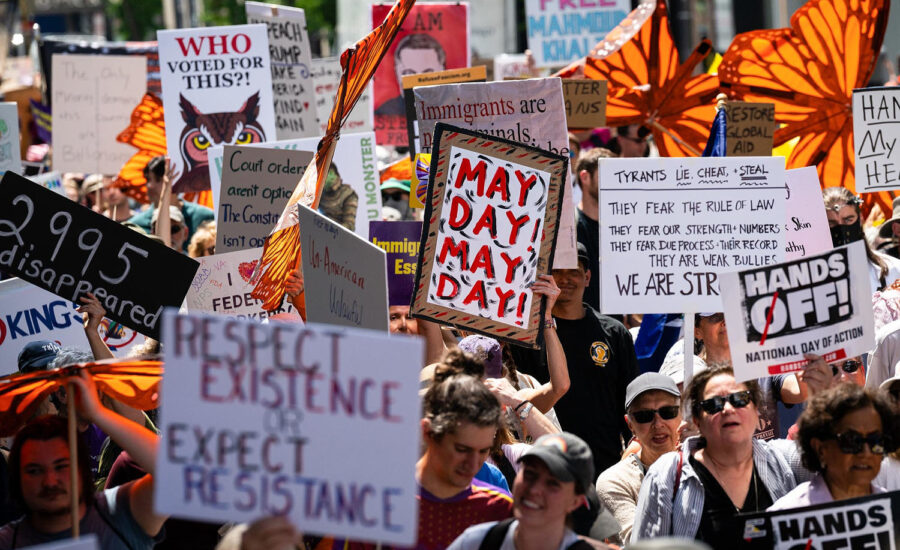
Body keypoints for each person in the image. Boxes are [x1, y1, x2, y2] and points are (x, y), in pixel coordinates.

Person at [632, 365, 801, 545]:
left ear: (756, 409)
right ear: (696, 420)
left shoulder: (783, 458)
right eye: (713, 404)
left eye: (740, 399)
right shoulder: (666, 475)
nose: (728, 409)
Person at [510, 244, 639, 475]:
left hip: (604, 464)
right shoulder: (527, 335)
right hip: (544, 461)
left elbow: (630, 401)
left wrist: (634, 451)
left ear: (587, 277)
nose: (565, 279)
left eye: (574, 272)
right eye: (557, 272)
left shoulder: (615, 333)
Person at [0, 371, 166, 549]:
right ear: (17, 478)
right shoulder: (7, 542)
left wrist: (97, 413)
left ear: (81, 469)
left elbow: (175, 472)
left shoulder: (120, 513)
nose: (50, 481)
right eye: (34, 470)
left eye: (61, 466)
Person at [448, 433, 609, 550]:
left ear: (575, 501)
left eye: (552, 484)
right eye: (529, 474)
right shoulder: (475, 543)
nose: (534, 489)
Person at [769, 384, 895, 510]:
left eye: (876, 441)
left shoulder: (894, 509)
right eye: (852, 440)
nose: (866, 452)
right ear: (820, 449)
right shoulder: (786, 517)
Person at [596, 373, 682, 545]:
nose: (658, 424)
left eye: (667, 412)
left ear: (681, 415)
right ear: (630, 425)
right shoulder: (616, 481)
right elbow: (640, 543)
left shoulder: (701, 463)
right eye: (645, 416)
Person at [824, 187, 900, 293]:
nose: (841, 228)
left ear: (860, 219)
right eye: (832, 223)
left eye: (848, 220)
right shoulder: (809, 279)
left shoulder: (893, 269)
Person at [128, 155, 214, 249]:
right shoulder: (135, 226)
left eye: (158, 179)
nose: (149, 185)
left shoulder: (206, 218)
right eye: (147, 180)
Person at [574, 148, 617, 312]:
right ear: (585, 177)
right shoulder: (570, 227)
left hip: (614, 324)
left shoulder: (620, 228)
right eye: (605, 176)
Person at [376, 33, 446, 116]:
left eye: (428, 74)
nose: (419, 84)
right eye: (409, 74)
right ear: (397, 72)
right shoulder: (384, 114)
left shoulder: (459, 109)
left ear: (442, 71)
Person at [317, 165, 358, 231]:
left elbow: (349, 225)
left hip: (338, 236)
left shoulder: (348, 194)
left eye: (329, 173)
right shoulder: (319, 194)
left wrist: (330, 230)